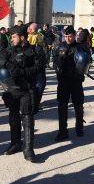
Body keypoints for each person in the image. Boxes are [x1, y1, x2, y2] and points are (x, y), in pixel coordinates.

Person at [0, 25, 43, 162]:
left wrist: (22, 72)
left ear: (22, 37)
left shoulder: (34, 50)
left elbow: (38, 69)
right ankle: (15, 143)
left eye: (14, 37)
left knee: (27, 118)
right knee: (13, 117)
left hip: (26, 88)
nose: (11, 39)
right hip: (12, 89)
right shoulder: (9, 50)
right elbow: (1, 59)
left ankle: (28, 148)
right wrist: (9, 66)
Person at [53, 25, 89, 141]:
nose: (68, 38)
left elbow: (87, 63)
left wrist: (82, 71)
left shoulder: (81, 47)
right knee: (62, 106)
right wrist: (57, 68)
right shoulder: (59, 47)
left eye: (70, 36)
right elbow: (54, 61)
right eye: (66, 36)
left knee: (78, 105)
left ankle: (79, 128)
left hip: (76, 81)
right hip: (63, 81)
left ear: (74, 36)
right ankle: (62, 131)